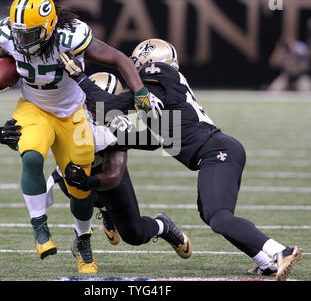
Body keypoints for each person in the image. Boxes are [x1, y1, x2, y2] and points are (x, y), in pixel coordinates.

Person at [56, 39, 303, 281]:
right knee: (211, 215)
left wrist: (80, 78)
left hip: (216, 152)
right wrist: (109, 138)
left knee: (219, 217)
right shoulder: (164, 92)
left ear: (147, 61)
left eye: (135, 64)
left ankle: (279, 251)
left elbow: (107, 103)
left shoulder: (158, 72)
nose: (133, 69)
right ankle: (265, 262)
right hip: (217, 152)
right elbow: (156, 140)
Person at [0, 0, 163, 274]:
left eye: (30, 34)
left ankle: (83, 240)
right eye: (19, 34)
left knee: (79, 184)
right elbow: (4, 51)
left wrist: (139, 92)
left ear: (50, 26)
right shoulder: (8, 33)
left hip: (73, 112)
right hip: (34, 107)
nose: (22, 40)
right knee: (31, 157)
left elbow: (116, 57)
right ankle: (40, 229)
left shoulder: (71, 37)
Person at [0, 72, 192, 272]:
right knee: (67, 180)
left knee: (133, 234)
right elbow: (35, 142)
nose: (91, 109)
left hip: (105, 178)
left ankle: (162, 226)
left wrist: (89, 181)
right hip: (77, 171)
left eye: (98, 104)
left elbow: (114, 176)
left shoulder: (118, 128)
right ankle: (98, 220)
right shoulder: (68, 113)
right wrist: (9, 137)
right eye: (88, 102)